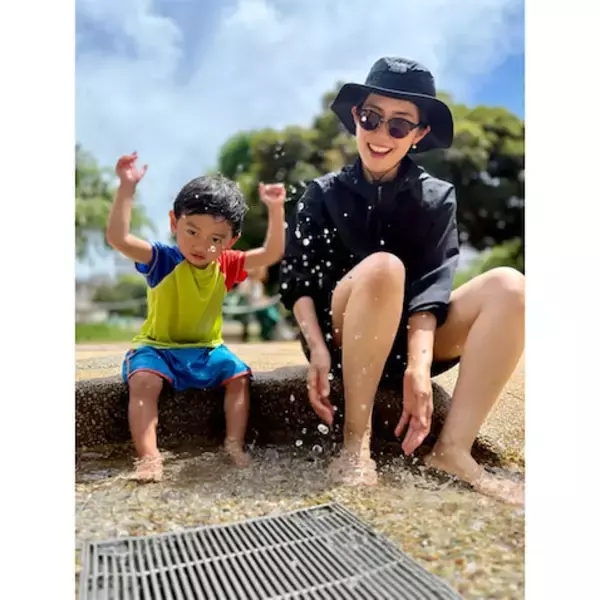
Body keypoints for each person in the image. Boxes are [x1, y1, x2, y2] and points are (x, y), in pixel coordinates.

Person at [279, 57, 525, 506]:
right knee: (384, 268)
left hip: (414, 343)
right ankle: (356, 444)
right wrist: (316, 347)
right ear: (356, 117)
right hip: (343, 337)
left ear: (419, 134)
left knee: (511, 286)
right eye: (371, 118)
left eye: (398, 125)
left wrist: (418, 366)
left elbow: (433, 284)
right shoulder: (321, 193)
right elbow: (298, 281)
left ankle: (453, 451)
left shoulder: (437, 197)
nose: (381, 135)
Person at [107, 152, 286, 482]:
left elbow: (271, 253)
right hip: (157, 348)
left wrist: (275, 208)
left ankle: (233, 445)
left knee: (239, 377)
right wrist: (126, 187)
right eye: (192, 231)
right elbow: (119, 239)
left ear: (230, 241)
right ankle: (148, 457)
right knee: (144, 381)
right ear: (174, 223)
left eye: (215, 239)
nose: (202, 245)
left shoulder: (226, 264)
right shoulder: (163, 259)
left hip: (206, 350)